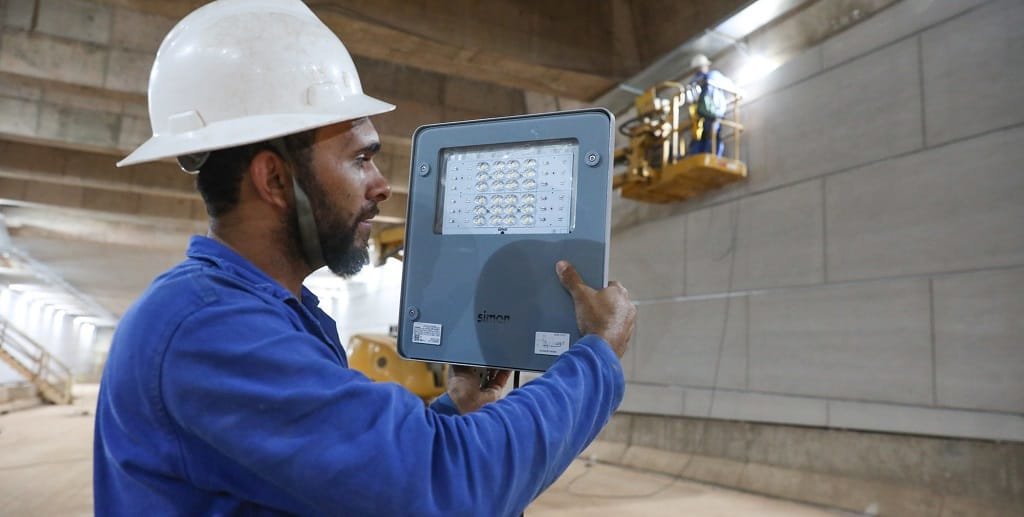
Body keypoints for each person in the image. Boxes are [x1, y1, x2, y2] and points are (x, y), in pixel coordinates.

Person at [93, 1, 637, 516]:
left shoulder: (267, 314)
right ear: (276, 179)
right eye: (359, 159)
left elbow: (344, 485)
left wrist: (458, 412)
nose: (381, 186)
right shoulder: (207, 330)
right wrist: (596, 358)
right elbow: (443, 487)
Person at [686, 54, 732, 156]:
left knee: (700, 137)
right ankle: (712, 156)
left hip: (700, 114)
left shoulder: (693, 82)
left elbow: (691, 101)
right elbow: (729, 85)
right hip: (713, 113)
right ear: (706, 65)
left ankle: (698, 156)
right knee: (712, 136)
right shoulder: (714, 76)